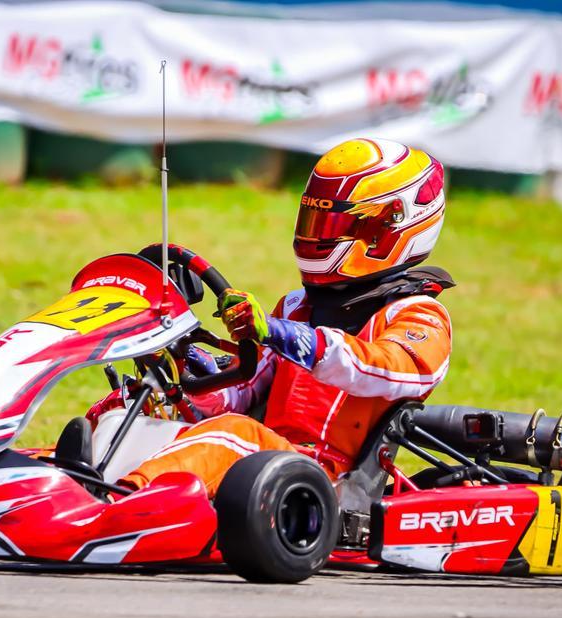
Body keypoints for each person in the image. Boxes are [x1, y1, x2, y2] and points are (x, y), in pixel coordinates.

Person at [102, 137, 454, 498]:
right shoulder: (296, 307)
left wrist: (279, 333)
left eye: (336, 225)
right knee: (127, 408)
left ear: (390, 226)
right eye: (316, 221)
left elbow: (373, 368)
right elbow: (244, 387)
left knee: (236, 433)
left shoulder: (420, 315)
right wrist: (189, 378)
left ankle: (120, 501)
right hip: (265, 465)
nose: (319, 235)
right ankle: (79, 486)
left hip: (324, 481)